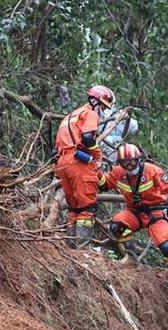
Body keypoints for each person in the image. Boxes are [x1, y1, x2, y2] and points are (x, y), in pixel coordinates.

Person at [98, 143, 168, 298]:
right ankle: (130, 257)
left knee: (166, 246)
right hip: (134, 213)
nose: (129, 165)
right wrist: (95, 166)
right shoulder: (118, 173)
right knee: (116, 225)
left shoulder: (152, 170)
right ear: (119, 163)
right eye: (124, 162)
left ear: (138, 159)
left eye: (132, 161)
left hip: (156, 212)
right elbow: (103, 184)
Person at [53, 85, 114, 247]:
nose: (102, 110)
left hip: (62, 164)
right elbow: (87, 137)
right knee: (87, 207)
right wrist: (97, 155)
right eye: (102, 106)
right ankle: (82, 250)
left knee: (75, 208)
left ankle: (70, 249)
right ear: (96, 102)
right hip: (78, 163)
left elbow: (56, 147)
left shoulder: (70, 116)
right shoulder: (90, 114)